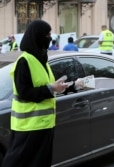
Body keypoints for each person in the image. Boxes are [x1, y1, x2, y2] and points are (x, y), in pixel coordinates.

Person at [1, 20, 84, 167]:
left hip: (43, 125)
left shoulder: (42, 61)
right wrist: (51, 89)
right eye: (47, 34)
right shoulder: (24, 61)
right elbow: (25, 92)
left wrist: (72, 86)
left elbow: (49, 88)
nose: (50, 38)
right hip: (28, 127)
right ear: (37, 36)